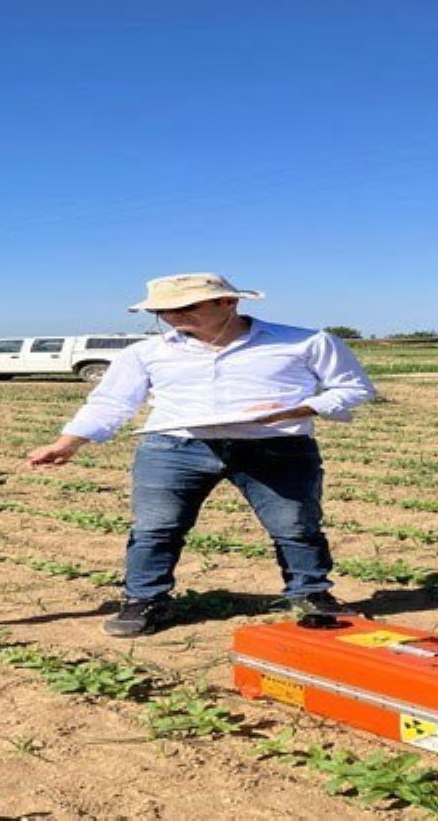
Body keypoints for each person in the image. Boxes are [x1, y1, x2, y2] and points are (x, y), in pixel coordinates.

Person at [26, 273, 376, 637]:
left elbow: (353, 388)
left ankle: (310, 595)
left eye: (185, 307)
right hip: (174, 447)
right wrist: (68, 442)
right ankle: (144, 600)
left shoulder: (306, 341)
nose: (172, 316)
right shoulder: (146, 353)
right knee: (155, 529)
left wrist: (300, 409)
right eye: (162, 311)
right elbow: (111, 402)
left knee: (296, 526)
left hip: (276, 446)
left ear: (229, 302)